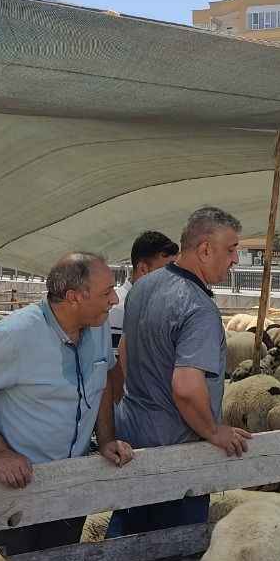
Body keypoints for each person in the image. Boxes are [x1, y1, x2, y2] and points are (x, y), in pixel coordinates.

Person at [0, 253, 134, 554]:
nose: (114, 300)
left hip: (69, 483)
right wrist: (1, 454)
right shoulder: (15, 335)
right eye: (106, 292)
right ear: (73, 297)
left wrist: (107, 439)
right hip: (16, 488)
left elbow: (105, 379)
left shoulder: (97, 327)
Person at [109, 207, 250, 537]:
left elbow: (125, 353)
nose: (235, 260)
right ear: (204, 249)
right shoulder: (198, 307)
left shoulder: (144, 288)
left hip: (132, 439)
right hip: (176, 456)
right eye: (230, 250)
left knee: (125, 542)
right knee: (170, 555)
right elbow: (186, 386)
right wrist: (213, 431)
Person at [107, 231, 179, 403]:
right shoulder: (117, 310)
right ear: (143, 269)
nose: (173, 278)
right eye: (167, 270)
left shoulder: (161, 305)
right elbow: (113, 373)